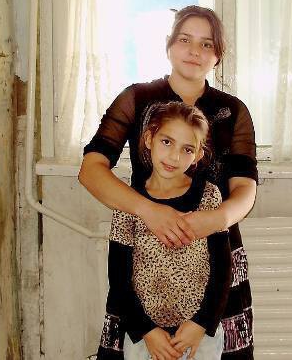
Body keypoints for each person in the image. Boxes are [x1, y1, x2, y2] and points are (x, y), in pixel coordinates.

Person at [79, 5, 258, 359]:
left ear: (218, 56)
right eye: (185, 40)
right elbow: (91, 169)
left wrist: (215, 219)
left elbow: (245, 189)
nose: (195, 51)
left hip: (212, 259)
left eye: (207, 45)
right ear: (169, 44)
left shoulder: (233, 110)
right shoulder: (136, 98)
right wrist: (148, 211)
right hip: (144, 254)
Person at [96, 101, 232, 360]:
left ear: (198, 155)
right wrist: (146, 331)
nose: (174, 157)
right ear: (149, 139)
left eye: (187, 149)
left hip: (197, 336)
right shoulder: (129, 201)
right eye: (167, 142)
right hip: (144, 337)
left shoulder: (208, 196)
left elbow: (223, 270)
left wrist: (201, 324)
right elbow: (118, 275)